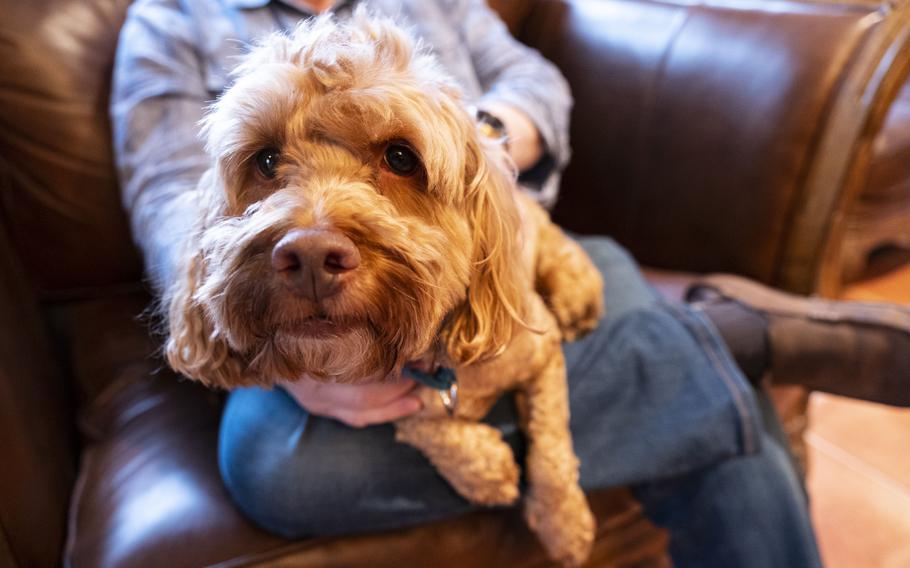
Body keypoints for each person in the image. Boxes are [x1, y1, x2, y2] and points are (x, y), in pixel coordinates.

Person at [111, 0, 910, 566]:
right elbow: (169, 201)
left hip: (510, 262)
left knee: (725, 442)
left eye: (393, 159)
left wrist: (472, 146)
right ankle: (724, 339)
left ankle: (695, 344)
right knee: (279, 470)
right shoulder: (170, 21)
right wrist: (305, 380)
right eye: (268, 161)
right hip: (292, 341)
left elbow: (539, 85)